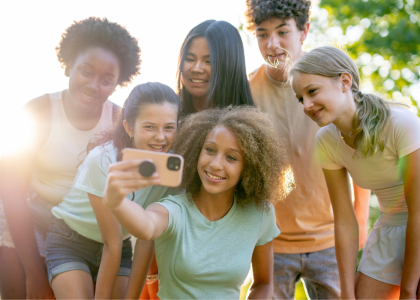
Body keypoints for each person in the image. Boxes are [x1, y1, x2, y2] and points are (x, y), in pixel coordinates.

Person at [0, 17, 141, 299]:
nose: (93, 85)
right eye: (86, 71)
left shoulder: (119, 122)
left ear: (118, 83)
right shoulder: (38, 111)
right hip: (32, 221)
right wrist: (35, 275)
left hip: (86, 229)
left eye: (106, 80)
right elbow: (12, 193)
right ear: (68, 67)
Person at [244, 1, 371, 299]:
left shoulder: (327, 84)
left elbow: (358, 149)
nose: (272, 44)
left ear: (304, 31)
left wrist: (360, 220)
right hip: (271, 241)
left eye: (282, 31)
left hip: (330, 238)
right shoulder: (246, 91)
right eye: (262, 34)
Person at [103, 106, 291, 299]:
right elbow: (146, 226)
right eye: (210, 150)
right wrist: (116, 202)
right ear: (196, 151)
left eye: (231, 157)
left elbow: (264, 283)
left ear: (249, 167)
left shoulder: (260, 214)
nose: (216, 164)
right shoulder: (173, 210)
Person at [290, 45, 420, 299]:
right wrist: (347, 293)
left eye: (312, 91)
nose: (306, 105)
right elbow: (345, 220)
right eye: (300, 98)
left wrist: (407, 289)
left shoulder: (401, 124)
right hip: (390, 229)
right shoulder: (326, 140)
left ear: (345, 81)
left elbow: (418, 210)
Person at [45, 82, 180, 299]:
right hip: (71, 241)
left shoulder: (172, 171)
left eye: (169, 127)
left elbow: (147, 240)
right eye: (149, 127)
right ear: (128, 127)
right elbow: (112, 243)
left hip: (122, 246)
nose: (160, 137)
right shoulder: (102, 160)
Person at [176, 19, 254, 117]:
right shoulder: (165, 115)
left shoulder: (243, 127)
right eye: (190, 59)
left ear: (230, 66)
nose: (196, 69)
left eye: (209, 61)